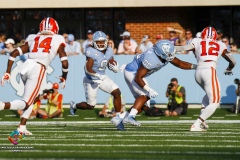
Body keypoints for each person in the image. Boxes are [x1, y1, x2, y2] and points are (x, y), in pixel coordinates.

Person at [0, 17, 69, 136]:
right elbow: (64, 62)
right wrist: (64, 76)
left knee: (34, 97)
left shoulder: (33, 37)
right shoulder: (58, 39)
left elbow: (14, 53)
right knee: (26, 102)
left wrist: (7, 72)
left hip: (26, 66)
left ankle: (22, 126)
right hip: (38, 68)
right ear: (55, 28)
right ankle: (3, 105)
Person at [111, 40, 197, 128]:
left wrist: (196, 66)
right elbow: (138, 78)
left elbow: (180, 63)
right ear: (160, 54)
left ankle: (119, 118)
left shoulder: (164, 52)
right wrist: (149, 89)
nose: (171, 56)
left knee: (143, 106)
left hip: (138, 75)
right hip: (132, 73)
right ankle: (130, 116)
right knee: (146, 94)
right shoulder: (151, 59)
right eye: (168, 54)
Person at [175, 26, 236, 131]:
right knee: (216, 101)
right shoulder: (220, 44)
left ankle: (202, 121)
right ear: (216, 36)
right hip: (209, 70)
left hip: (198, 71)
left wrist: (171, 48)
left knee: (209, 96)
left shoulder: (197, 41)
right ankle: (197, 124)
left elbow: (184, 48)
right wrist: (229, 69)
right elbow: (233, 61)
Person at [69, 31, 123, 130]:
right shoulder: (91, 51)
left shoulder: (109, 50)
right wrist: (97, 75)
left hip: (102, 77)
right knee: (90, 106)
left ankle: (118, 118)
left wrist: (114, 67)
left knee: (116, 92)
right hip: (91, 80)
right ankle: (74, 105)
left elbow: (109, 61)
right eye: (98, 42)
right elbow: (88, 68)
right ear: (94, 42)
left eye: (102, 41)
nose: (101, 44)